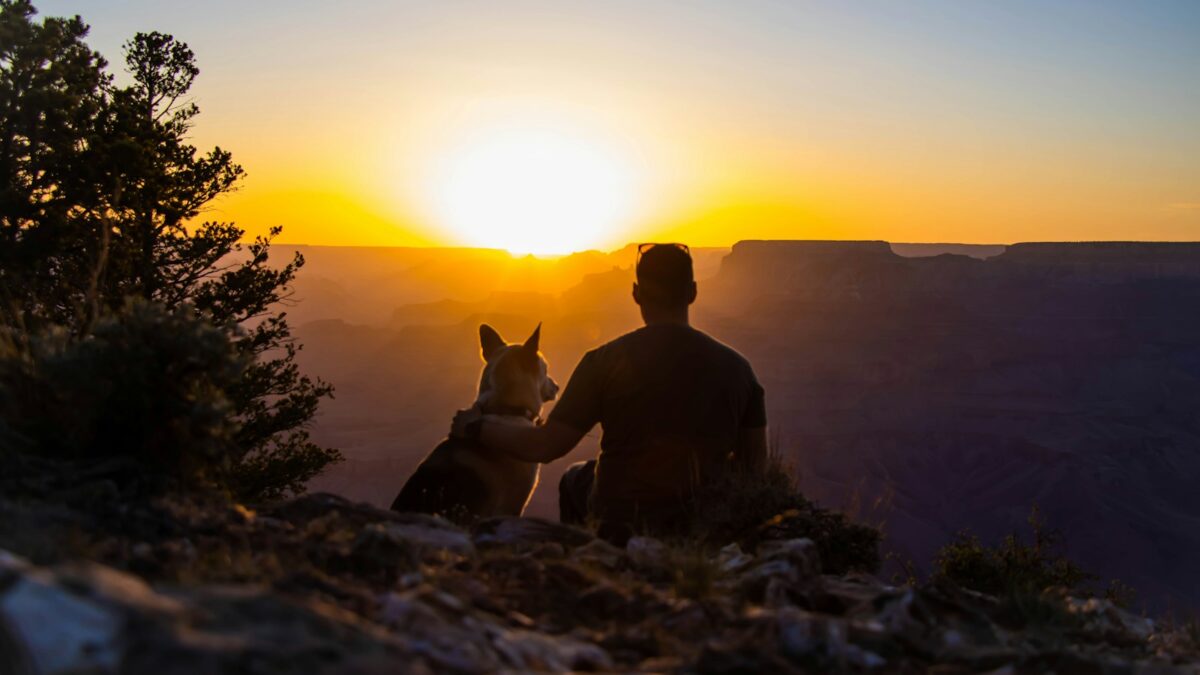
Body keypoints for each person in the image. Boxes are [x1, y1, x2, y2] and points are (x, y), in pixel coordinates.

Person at [451, 243, 767, 542]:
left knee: (574, 479)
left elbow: (544, 447)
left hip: (618, 519)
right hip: (701, 522)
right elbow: (755, 471)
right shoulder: (740, 370)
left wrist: (475, 428)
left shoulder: (604, 361)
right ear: (693, 292)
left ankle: (587, 560)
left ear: (637, 294)